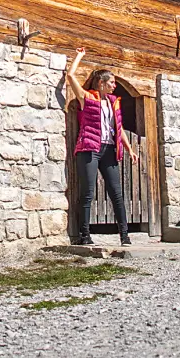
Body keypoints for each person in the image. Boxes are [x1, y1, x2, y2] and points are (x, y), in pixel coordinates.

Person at [66, 48, 138, 246]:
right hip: (89, 148)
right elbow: (70, 75)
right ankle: (84, 235)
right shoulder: (87, 98)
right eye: (112, 82)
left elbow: (119, 128)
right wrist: (79, 56)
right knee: (87, 192)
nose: (114, 86)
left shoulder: (114, 103)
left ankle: (124, 235)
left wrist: (130, 149)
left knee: (117, 193)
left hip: (108, 150)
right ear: (101, 83)